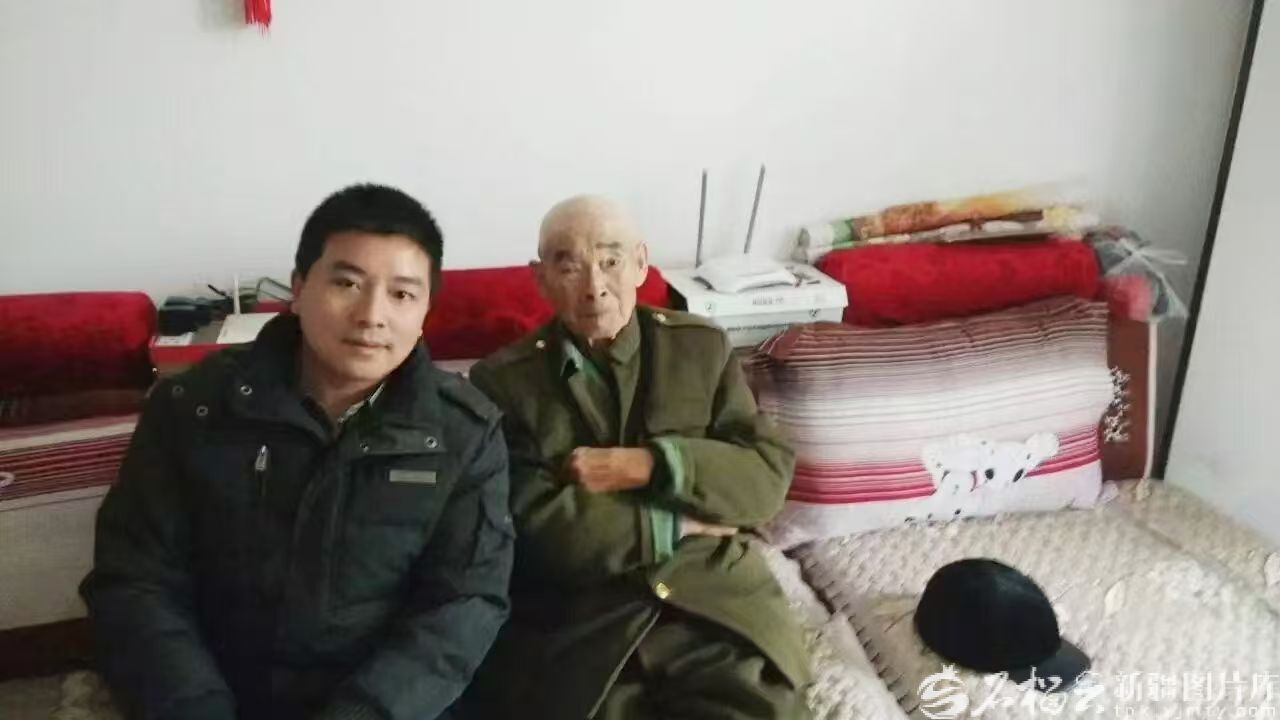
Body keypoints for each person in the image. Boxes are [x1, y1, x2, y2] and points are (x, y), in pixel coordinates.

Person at [81, 184, 514, 720]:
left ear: (426, 311)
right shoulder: (194, 407)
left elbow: (464, 603)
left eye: (402, 295)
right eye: (347, 283)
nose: (371, 315)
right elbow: (136, 579)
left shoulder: (465, 434)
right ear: (300, 288)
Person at [467, 195, 811, 720]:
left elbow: (764, 477)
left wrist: (650, 464)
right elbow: (533, 525)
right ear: (541, 279)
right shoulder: (504, 383)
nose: (594, 285)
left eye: (610, 260)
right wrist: (679, 523)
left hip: (714, 609)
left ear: (641, 263)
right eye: (569, 266)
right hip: (584, 624)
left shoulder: (699, 348)